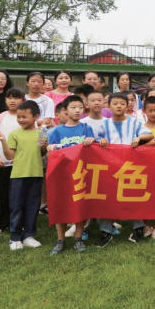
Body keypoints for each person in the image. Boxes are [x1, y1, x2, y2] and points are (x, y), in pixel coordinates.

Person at [98, 92, 153, 245]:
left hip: (130, 166)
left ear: (127, 106)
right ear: (109, 106)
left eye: (122, 104)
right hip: (109, 167)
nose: (119, 106)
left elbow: (150, 135)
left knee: (132, 195)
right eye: (115, 104)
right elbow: (96, 141)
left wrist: (139, 138)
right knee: (107, 197)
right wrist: (101, 141)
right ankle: (106, 230)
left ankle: (138, 227)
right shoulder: (104, 124)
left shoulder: (134, 122)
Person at [43, 96, 95, 253]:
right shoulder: (56, 131)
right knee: (61, 206)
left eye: (80, 107)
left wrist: (92, 141)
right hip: (61, 175)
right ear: (65, 110)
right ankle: (60, 240)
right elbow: (49, 151)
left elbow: (94, 149)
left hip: (80, 174)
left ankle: (78, 238)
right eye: (73, 107)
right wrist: (50, 148)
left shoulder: (86, 128)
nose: (77, 110)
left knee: (79, 205)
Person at [0, 100, 46, 252]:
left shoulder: (41, 132)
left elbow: (42, 152)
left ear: (36, 116)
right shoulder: (14, 134)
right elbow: (9, 155)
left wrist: (44, 142)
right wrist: (3, 141)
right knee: (16, 206)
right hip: (18, 175)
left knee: (33, 206)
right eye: (19, 117)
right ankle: (15, 237)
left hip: (36, 174)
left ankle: (29, 235)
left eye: (24, 117)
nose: (21, 120)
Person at [0, 88, 25, 237]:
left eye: (16, 98)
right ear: (5, 100)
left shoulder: (25, 117)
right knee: (1, 194)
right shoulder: (0, 117)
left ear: (22, 100)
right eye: (9, 98)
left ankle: (19, 224)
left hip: (21, 163)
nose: (12, 101)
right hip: (3, 163)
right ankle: (1, 225)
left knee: (19, 195)